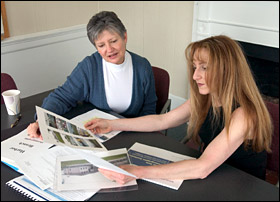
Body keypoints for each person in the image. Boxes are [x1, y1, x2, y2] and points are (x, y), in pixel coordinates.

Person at [84, 35, 272, 184]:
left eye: (204, 68)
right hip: (216, 174)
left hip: (243, 185)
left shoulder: (245, 114)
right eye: (195, 67)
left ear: (227, 70)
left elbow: (202, 168)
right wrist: (112, 124)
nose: (196, 75)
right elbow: (162, 120)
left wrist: (139, 172)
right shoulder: (206, 98)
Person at [27, 11, 157, 139]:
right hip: (96, 135)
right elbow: (62, 97)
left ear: (125, 37)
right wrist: (41, 121)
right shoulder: (90, 66)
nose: (109, 49)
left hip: (131, 135)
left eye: (113, 41)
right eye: (101, 45)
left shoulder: (143, 67)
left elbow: (149, 111)